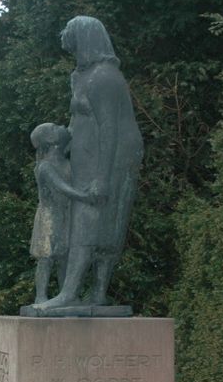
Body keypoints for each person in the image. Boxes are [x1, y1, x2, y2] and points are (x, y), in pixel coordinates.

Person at [35, 16, 143, 310]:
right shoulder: (82, 76)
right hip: (86, 155)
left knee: (96, 219)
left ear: (86, 41)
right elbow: (76, 121)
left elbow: (110, 128)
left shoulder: (105, 78)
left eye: (73, 41)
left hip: (109, 157)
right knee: (87, 218)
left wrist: (103, 177)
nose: (70, 48)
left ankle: (77, 292)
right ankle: (82, 293)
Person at [29, 123, 78, 304]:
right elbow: (62, 187)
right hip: (48, 218)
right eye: (55, 127)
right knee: (46, 257)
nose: (62, 126)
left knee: (64, 257)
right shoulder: (45, 166)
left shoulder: (66, 162)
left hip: (65, 216)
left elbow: (73, 129)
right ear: (50, 140)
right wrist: (85, 196)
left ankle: (65, 295)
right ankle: (41, 296)